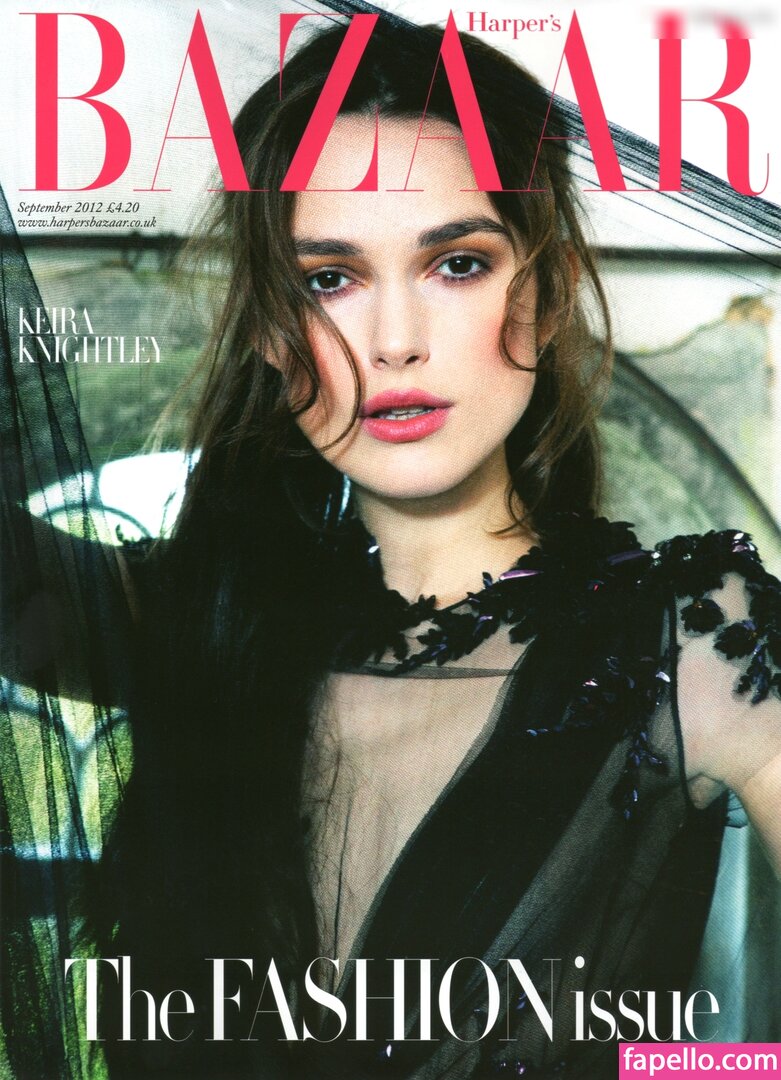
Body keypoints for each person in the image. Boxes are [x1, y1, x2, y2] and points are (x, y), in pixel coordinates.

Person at [2, 12, 781, 1080]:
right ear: (271, 331)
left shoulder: (702, 639)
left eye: (457, 263)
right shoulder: (198, 624)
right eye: (329, 278)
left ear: (547, 293)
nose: (395, 340)